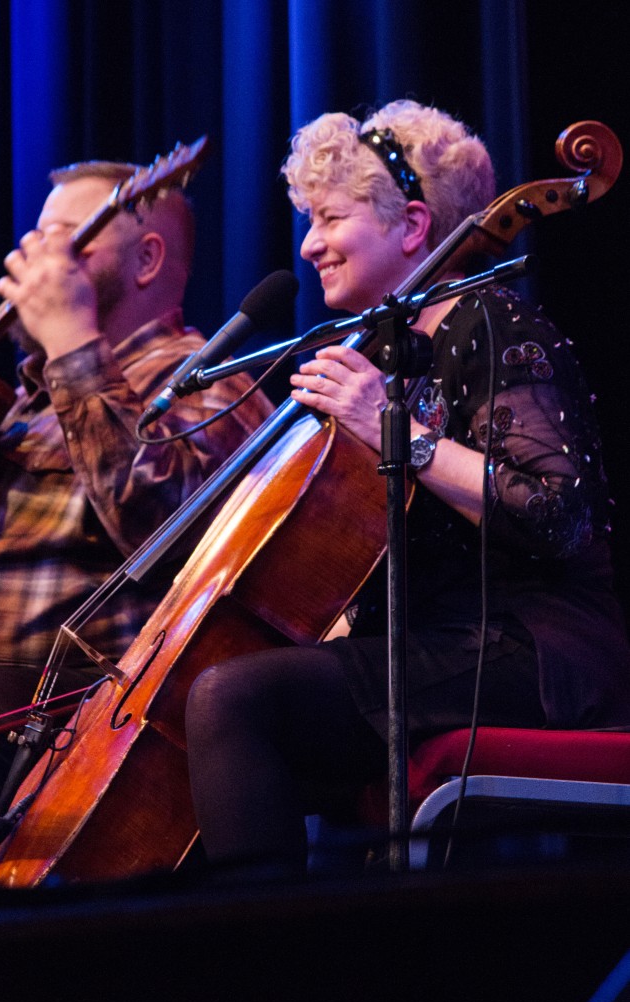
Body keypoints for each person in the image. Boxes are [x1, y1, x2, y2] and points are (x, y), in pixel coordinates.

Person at [184, 99, 630, 882]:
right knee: (221, 717)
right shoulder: (392, 352)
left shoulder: (492, 323)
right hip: (440, 646)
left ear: (414, 225)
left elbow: (557, 515)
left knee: (234, 702)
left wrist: (393, 432)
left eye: (329, 218)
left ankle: (264, 967)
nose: (309, 244)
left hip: (532, 652)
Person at [0, 159, 274, 869]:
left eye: (64, 240)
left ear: (147, 259)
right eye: (32, 241)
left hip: (63, 710)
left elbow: (163, 526)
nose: (31, 262)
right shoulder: (9, 411)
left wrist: (70, 347)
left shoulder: (209, 383)